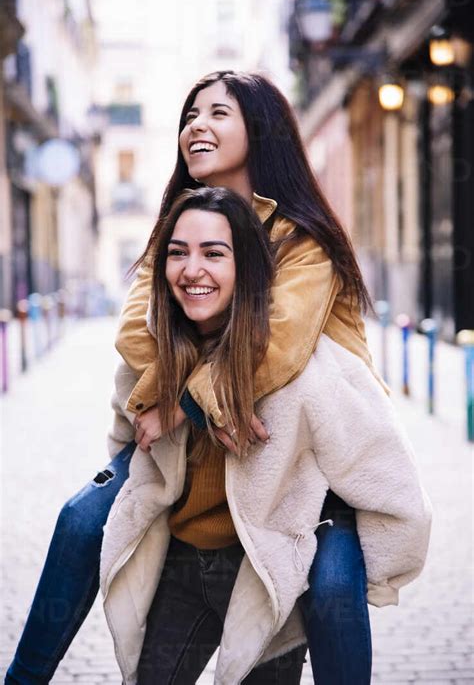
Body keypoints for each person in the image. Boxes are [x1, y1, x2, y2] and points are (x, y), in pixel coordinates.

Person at [5, 70, 404, 684]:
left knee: (330, 591)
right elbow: (139, 333)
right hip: (198, 455)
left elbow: (276, 345)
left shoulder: (304, 240)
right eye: (191, 115)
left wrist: (181, 402)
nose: (198, 126)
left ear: (261, 129)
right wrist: (188, 403)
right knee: (81, 519)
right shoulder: (179, 224)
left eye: (219, 113)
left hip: (307, 457)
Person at [102, 185, 431, 685]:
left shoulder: (301, 367)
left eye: (214, 253)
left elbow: (383, 469)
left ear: (248, 266)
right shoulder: (156, 361)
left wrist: (379, 570)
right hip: (183, 569)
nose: (192, 270)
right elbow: (129, 451)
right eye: (178, 253)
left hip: (264, 578)